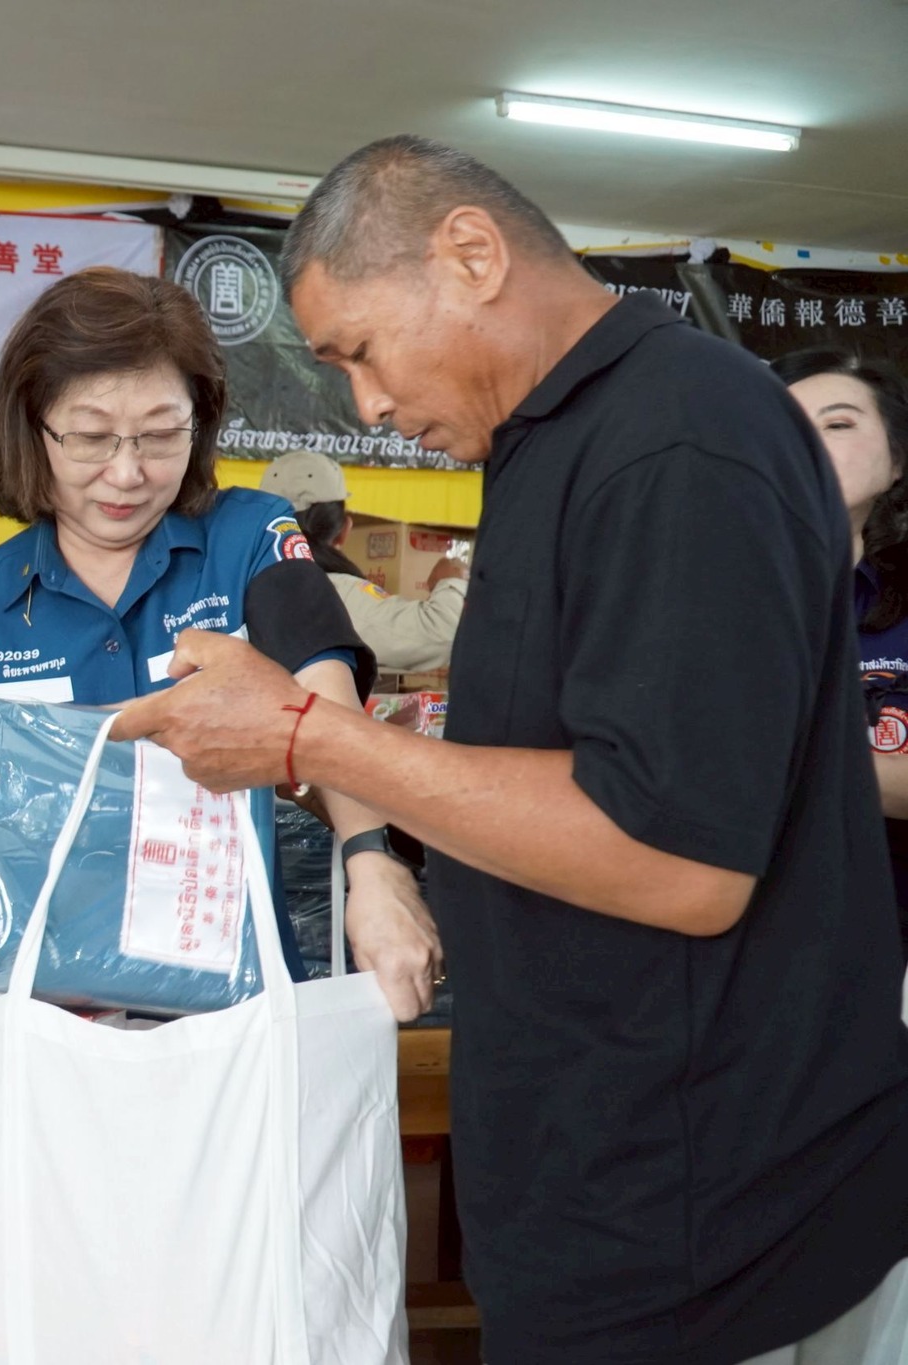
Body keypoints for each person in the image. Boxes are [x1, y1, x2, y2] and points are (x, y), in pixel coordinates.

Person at [114, 134, 908, 1365]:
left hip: (704, 1222)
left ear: (470, 255)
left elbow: (677, 861)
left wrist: (308, 736)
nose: (365, 407)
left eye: (359, 352)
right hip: (601, 1174)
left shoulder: (678, 442)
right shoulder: (554, 438)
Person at [0, 266, 443, 1363]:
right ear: (29, 428)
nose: (126, 471)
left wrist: (371, 858)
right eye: (88, 436)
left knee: (233, 1317)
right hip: (32, 1053)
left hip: (224, 1039)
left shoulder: (248, 537)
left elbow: (321, 702)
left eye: (159, 435)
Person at [776, 348, 908, 956]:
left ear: (898, 460)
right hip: (748, 931)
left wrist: (772, 757)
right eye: (785, 426)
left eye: (837, 423)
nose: (808, 443)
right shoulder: (704, 595)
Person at [259, 447, 467, 672]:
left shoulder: (243, 584)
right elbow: (439, 635)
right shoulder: (334, 594)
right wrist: (452, 581)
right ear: (344, 529)